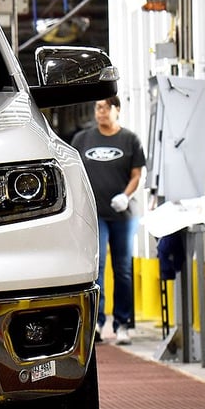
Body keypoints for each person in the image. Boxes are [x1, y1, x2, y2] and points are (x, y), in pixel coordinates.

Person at [70, 95, 147, 345]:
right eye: (98, 107)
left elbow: (137, 175)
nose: (101, 112)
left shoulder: (130, 140)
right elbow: (74, 173)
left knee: (122, 269)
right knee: (97, 267)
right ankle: (97, 322)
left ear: (117, 110)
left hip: (123, 215)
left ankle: (122, 323)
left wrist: (126, 195)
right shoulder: (82, 140)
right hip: (95, 215)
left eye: (105, 107)